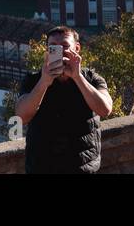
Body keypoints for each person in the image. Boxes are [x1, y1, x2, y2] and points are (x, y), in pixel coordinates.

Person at [14, 26, 113, 173]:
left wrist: (78, 77)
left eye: (65, 46)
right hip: (42, 167)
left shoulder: (92, 79)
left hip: (81, 167)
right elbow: (21, 116)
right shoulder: (34, 80)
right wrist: (44, 81)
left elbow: (105, 110)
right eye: (53, 48)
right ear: (47, 51)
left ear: (77, 48)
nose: (60, 52)